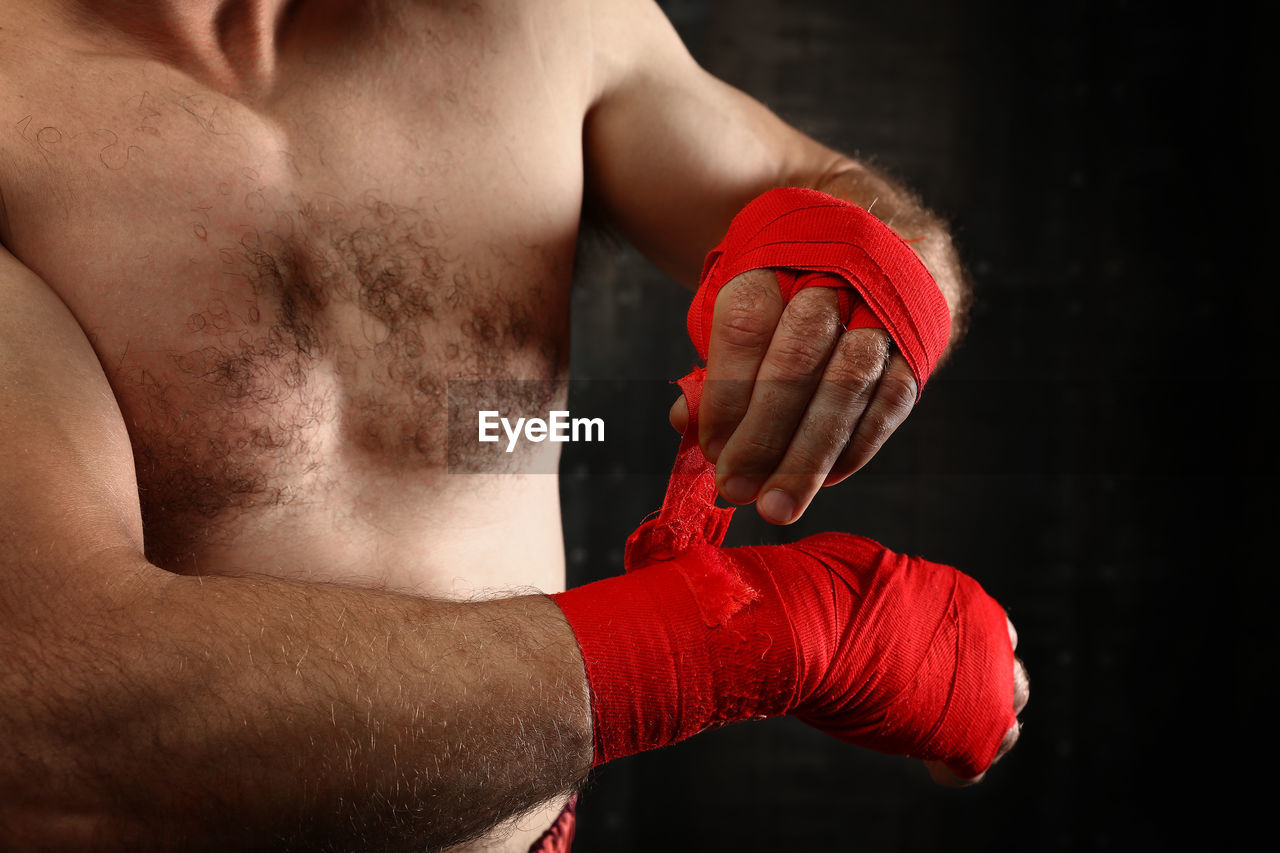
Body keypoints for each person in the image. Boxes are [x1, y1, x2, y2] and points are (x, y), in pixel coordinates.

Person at [0, 1, 1027, 850]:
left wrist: (864, 272)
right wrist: (759, 635)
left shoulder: (534, 20)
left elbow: (832, 199)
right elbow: (61, 733)